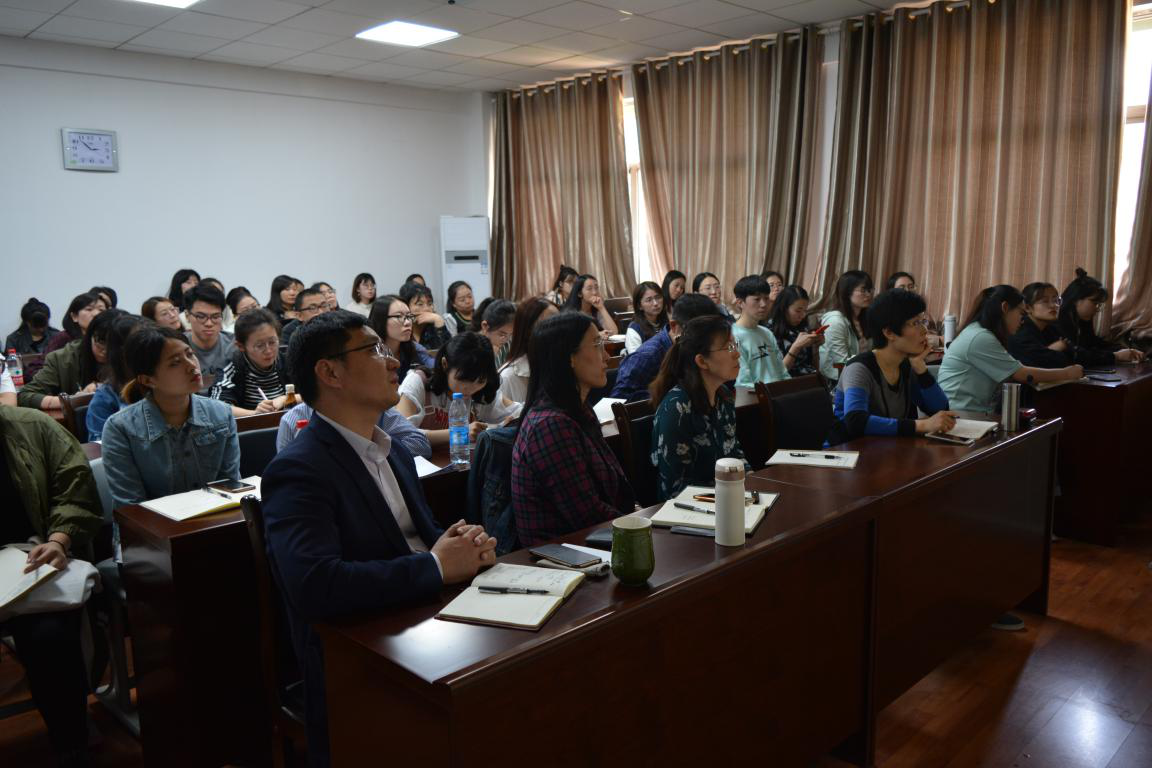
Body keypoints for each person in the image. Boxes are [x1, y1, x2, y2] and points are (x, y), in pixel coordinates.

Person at [261, 310, 497, 767]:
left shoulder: (393, 451)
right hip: (361, 656)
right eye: (373, 350)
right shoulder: (298, 470)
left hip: (427, 623)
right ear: (330, 373)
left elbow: (421, 541)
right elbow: (316, 585)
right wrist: (436, 565)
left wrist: (461, 545)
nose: (393, 362)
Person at [0, 405, 102, 766]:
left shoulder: (33, 427)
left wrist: (59, 539)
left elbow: (75, 491)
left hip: (32, 560)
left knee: (50, 636)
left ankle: (71, 740)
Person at [512, 312, 635, 546]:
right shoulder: (550, 425)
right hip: (564, 555)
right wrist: (640, 525)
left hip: (595, 543)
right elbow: (586, 515)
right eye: (597, 345)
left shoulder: (578, 409)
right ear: (569, 358)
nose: (606, 356)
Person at [101, 325, 239, 508]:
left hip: (214, 519)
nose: (192, 366)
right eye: (175, 363)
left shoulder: (221, 413)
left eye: (190, 354)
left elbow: (229, 487)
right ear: (148, 380)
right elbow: (131, 507)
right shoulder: (120, 428)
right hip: (151, 525)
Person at [829, 288, 955, 443]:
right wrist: (920, 425)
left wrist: (921, 369)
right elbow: (856, 421)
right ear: (889, 332)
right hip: (848, 451)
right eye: (915, 323)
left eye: (923, 321)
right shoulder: (859, 368)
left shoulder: (906, 365)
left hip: (888, 448)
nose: (924, 330)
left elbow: (940, 410)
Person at [938, 285, 1084, 412]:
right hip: (961, 415)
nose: (1022, 320)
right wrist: (1067, 373)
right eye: (1021, 313)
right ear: (1005, 308)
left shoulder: (981, 332)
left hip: (976, 413)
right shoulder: (980, 336)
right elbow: (1021, 374)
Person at [649, 315, 745, 498]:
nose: (737, 353)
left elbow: (735, 455)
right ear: (701, 361)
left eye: (735, 345)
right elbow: (676, 488)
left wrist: (753, 484)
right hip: (690, 506)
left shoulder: (723, 396)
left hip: (727, 497)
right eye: (728, 348)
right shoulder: (677, 407)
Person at [395, 332, 519, 444]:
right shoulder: (418, 382)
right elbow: (400, 433)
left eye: (481, 381)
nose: (471, 389)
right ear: (445, 364)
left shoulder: (482, 393)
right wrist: (458, 433)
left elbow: (518, 412)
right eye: (464, 379)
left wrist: (506, 426)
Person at [611, 294, 717, 402]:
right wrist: (667, 398)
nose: (705, 339)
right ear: (674, 326)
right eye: (698, 333)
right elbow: (618, 399)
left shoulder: (700, 348)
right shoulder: (647, 356)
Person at [18, 307, 122, 411]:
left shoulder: (128, 354)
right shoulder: (63, 358)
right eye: (101, 343)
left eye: (114, 345)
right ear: (89, 336)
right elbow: (25, 395)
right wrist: (73, 400)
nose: (106, 350)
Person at [275, 400, 431, 457]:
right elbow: (290, 475)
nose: (393, 364)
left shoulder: (375, 407)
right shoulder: (291, 421)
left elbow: (420, 444)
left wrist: (374, 454)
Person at [1057, 268, 1146, 365]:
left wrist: (1126, 350)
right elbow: (1078, 356)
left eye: (1099, 304)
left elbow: (1094, 343)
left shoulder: (1081, 319)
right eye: (1095, 303)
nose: (1097, 309)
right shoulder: (1057, 322)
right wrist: (1115, 356)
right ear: (1076, 300)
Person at [211, 309, 290, 416]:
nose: (268, 350)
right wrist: (255, 414)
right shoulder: (231, 367)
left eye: (272, 342)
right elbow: (217, 407)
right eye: (260, 345)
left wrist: (285, 398)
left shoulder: (288, 360)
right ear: (241, 346)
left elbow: (311, 392)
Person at [86, 312, 145, 441]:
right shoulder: (105, 397)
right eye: (140, 343)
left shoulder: (162, 384)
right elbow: (101, 446)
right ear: (120, 351)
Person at [731, 275, 790, 386]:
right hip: (754, 394)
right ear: (740, 303)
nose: (763, 304)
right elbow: (742, 381)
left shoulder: (767, 333)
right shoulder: (731, 337)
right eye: (757, 299)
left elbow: (782, 371)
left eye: (766, 298)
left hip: (778, 392)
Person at [498, 297, 559, 404]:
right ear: (528, 330)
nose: (560, 330)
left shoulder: (561, 366)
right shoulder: (508, 377)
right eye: (551, 324)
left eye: (561, 322)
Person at [819, 270, 874, 383]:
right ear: (847, 292)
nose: (868, 294)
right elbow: (841, 363)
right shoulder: (835, 321)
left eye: (870, 290)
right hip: (837, 381)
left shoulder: (866, 318)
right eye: (863, 290)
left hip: (861, 375)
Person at [183, 283, 234, 396]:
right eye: (201, 317)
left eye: (215, 317)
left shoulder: (234, 345)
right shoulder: (178, 347)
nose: (209, 323)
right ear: (187, 316)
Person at [368, 295, 435, 380]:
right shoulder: (368, 354)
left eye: (409, 316)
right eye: (399, 316)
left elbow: (436, 369)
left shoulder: (414, 348)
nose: (408, 322)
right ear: (381, 320)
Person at [1006, 282, 1073, 368]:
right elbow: (1036, 364)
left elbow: (1075, 355)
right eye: (1045, 301)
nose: (1053, 305)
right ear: (1028, 308)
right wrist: (1051, 350)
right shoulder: (1020, 332)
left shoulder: (1051, 328)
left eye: (1055, 300)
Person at [767, 285, 822, 377]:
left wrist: (815, 347)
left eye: (805, 311)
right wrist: (796, 347)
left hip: (810, 380)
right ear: (784, 308)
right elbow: (777, 374)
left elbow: (812, 366)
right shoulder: (769, 331)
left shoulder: (802, 327)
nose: (803, 315)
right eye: (798, 311)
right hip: (787, 382)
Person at [43, 292, 106, 356]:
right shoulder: (63, 338)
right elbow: (44, 360)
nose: (96, 314)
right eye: (89, 309)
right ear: (74, 316)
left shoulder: (109, 336)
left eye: (101, 310)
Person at [399, 281, 451, 350]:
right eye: (420, 304)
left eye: (430, 304)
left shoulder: (435, 326)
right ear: (406, 306)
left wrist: (439, 322)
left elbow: (449, 352)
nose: (427, 309)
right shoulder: (399, 329)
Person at [471, 298, 515, 366]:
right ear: (485, 326)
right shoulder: (470, 348)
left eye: (511, 334)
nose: (506, 339)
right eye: (502, 335)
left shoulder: (508, 343)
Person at [625, 281, 666, 354]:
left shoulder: (666, 322)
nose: (655, 303)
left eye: (658, 297)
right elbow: (636, 359)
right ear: (639, 306)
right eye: (649, 300)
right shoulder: (634, 330)